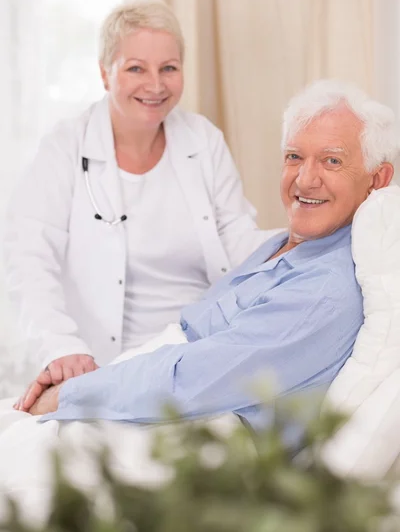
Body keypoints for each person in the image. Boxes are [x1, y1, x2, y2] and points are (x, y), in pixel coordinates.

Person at [16, 79, 398, 423]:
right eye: (294, 156)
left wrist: (68, 394)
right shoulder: (283, 245)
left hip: (180, 426)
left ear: (377, 179)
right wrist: (81, 374)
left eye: (332, 160)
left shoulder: (323, 291)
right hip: (135, 385)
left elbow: (187, 381)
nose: (305, 179)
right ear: (105, 74)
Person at [3, 0, 272, 390]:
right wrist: (60, 346)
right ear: (104, 74)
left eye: (169, 68)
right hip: (102, 363)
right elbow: (28, 259)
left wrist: (302, 239)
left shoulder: (203, 140)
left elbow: (238, 241)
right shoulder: (65, 147)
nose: (156, 85)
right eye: (135, 69)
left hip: (197, 353)